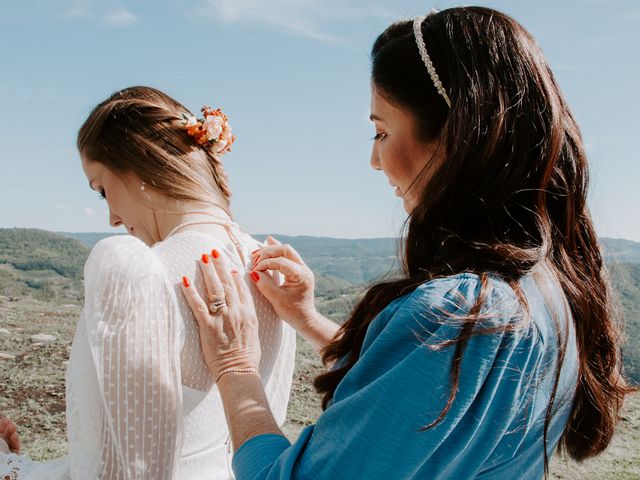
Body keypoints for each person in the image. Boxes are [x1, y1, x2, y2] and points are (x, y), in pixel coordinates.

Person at [179, 6, 635, 480]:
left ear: (456, 137)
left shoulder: (456, 316)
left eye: (381, 131)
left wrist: (234, 365)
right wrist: (308, 318)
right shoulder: (545, 289)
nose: (375, 159)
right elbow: (425, 396)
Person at [0, 86, 296, 479]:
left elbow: (114, 471)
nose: (112, 219)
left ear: (138, 164)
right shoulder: (272, 268)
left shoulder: (135, 272)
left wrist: (7, 465)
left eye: (103, 189)